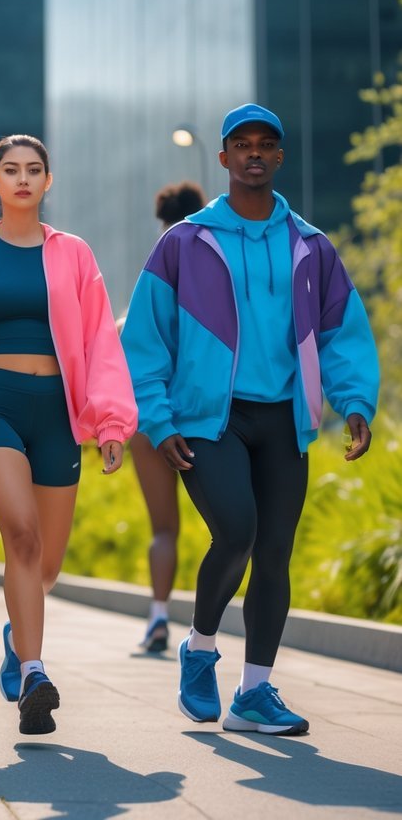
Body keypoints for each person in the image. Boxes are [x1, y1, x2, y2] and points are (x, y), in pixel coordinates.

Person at [122, 104, 378, 736]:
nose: (254, 153)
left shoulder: (311, 245)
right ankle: (200, 648)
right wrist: (159, 419)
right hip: (211, 420)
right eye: (242, 144)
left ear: (279, 157)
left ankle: (254, 693)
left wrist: (354, 401)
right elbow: (146, 340)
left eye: (265, 144)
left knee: (274, 554)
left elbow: (342, 332)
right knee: (235, 531)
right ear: (225, 158)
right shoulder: (185, 242)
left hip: (284, 419)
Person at [0, 134, 137, 735]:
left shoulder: (73, 253)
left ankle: (16, 636)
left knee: (46, 565)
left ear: (47, 181)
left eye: (34, 170)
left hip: (57, 412)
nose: (23, 179)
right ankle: (34, 673)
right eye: (11, 169)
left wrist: (111, 420)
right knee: (22, 536)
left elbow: (100, 339)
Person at [129, 180, 205, 653]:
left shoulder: (154, 272)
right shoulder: (211, 272)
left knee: (163, 529)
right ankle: (205, 628)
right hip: (202, 417)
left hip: (150, 422)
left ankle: (158, 616)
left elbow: (127, 340)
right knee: (230, 530)